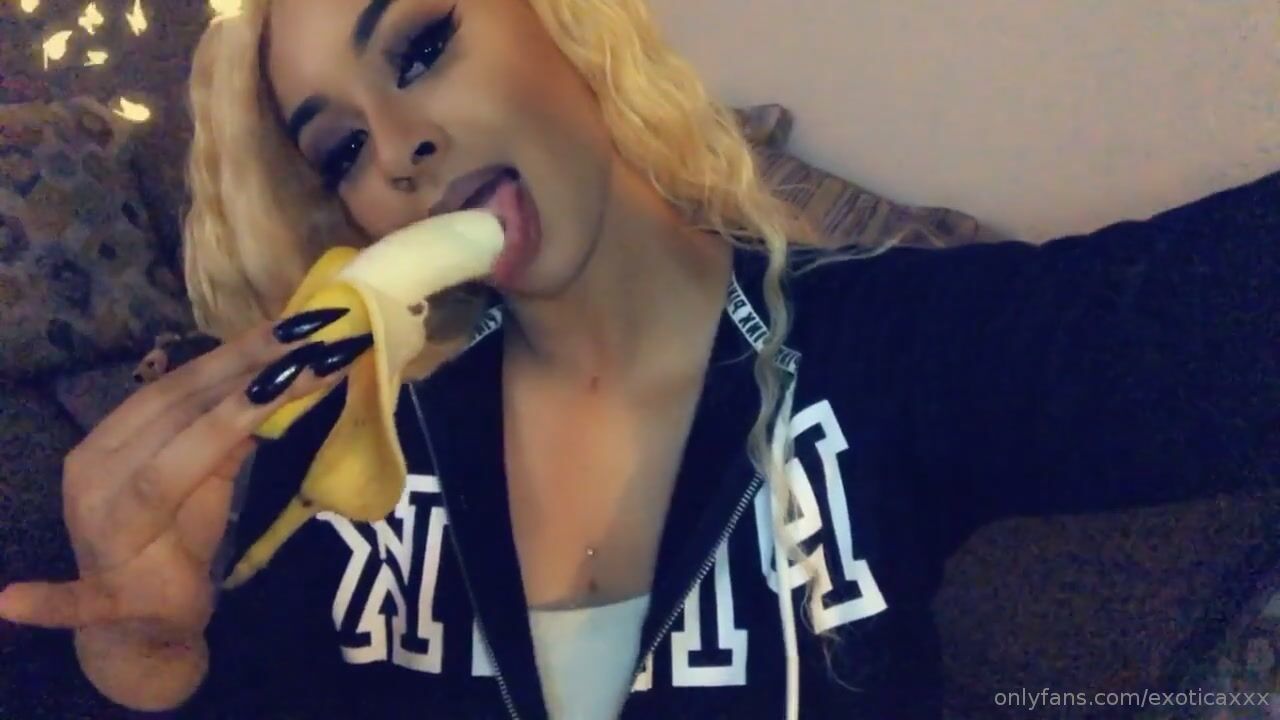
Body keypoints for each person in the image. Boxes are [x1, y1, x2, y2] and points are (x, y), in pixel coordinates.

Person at [0, 0, 1275, 718]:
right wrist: (147, 669)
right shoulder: (353, 447)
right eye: (339, 149)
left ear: (565, 27)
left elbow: (1190, 325)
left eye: (423, 46)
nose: (393, 150)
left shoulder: (883, 349)